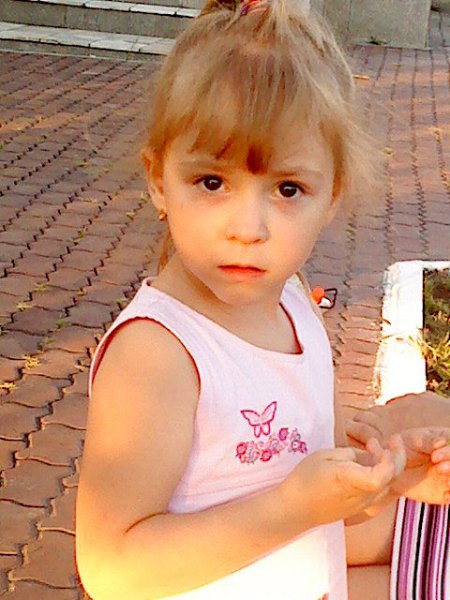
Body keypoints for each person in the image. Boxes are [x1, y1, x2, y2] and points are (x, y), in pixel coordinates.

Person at [75, 1, 450, 598]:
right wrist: (291, 508)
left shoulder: (292, 306)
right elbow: (112, 568)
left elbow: (305, 470)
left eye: (288, 189)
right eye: (212, 182)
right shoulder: (157, 355)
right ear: (158, 180)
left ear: (332, 196)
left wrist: (389, 476)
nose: (248, 228)